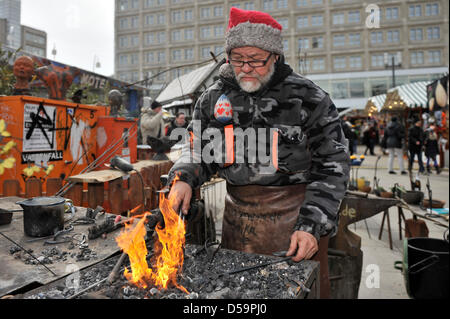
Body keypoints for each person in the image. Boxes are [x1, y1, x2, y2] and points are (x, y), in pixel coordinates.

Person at [166, 7, 350, 299]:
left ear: (275, 56)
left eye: (255, 60)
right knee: (236, 294)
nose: (246, 68)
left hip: (296, 221)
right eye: (237, 59)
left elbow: (333, 164)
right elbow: (195, 146)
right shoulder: (214, 98)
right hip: (237, 218)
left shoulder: (308, 98)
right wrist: (184, 177)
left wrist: (311, 225)